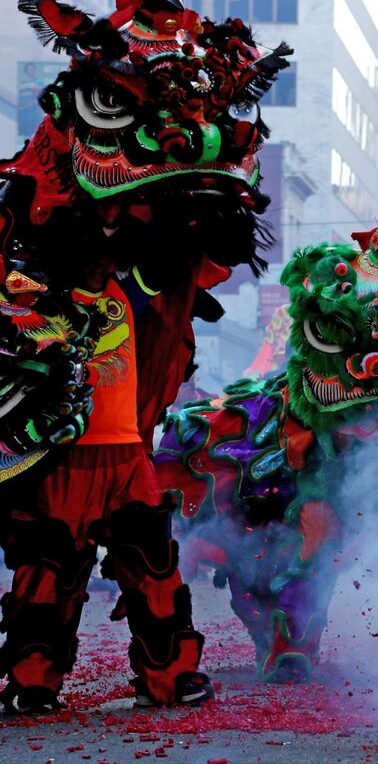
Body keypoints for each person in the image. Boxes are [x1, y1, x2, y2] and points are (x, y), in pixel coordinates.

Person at [0, 255, 212, 712]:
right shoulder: (32, 285)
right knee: (49, 568)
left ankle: (169, 677)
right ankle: (32, 683)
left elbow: (183, 259)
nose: (101, 246)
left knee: (152, 566)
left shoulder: (131, 288)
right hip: (62, 456)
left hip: (129, 451)